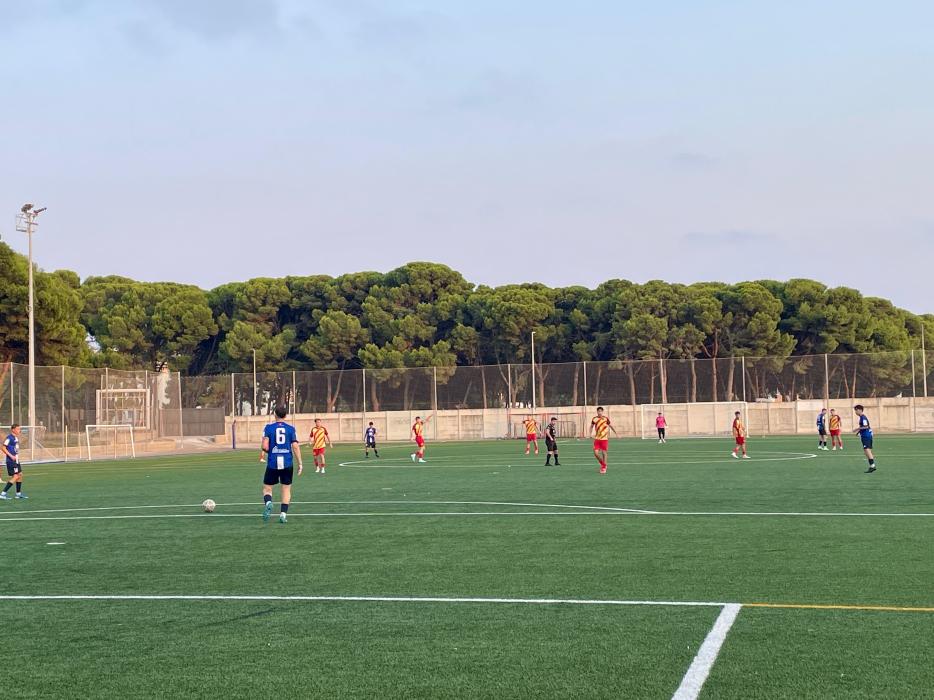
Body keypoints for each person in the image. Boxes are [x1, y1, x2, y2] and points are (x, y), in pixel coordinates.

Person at [260, 406, 303, 524]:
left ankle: (268, 502)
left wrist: (270, 451)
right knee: (286, 489)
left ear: (275, 414)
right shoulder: (291, 429)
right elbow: (295, 446)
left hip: (273, 462)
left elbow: (264, 446)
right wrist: (300, 463)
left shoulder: (268, 428)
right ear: (285, 415)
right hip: (287, 462)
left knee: (267, 487)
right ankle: (283, 515)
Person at [0, 424, 26, 500]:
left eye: (19, 429)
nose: (19, 430)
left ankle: (18, 494)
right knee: (16, 476)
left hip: (16, 460)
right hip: (11, 460)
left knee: (20, 474)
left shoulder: (15, 438)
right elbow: (3, 447)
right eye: (18, 429)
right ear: (13, 430)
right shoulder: (9, 438)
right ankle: (2, 494)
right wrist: (11, 456)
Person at [590, 407, 618, 474]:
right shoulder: (594, 419)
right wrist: (590, 434)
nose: (600, 412)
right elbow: (591, 427)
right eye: (598, 411)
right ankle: (603, 464)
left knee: (604, 453)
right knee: (595, 453)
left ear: (602, 412)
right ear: (597, 412)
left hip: (604, 439)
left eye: (601, 411)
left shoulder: (606, 419)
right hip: (597, 438)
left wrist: (616, 433)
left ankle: (603, 468)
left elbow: (611, 426)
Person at [854, 405, 876, 473]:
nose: (855, 412)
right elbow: (864, 426)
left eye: (856, 410)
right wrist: (859, 432)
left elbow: (866, 426)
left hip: (866, 436)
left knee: (867, 450)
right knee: (867, 451)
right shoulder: (862, 417)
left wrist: (857, 429)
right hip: (866, 435)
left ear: (860, 410)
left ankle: (872, 466)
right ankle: (872, 465)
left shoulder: (863, 417)